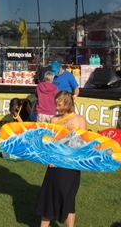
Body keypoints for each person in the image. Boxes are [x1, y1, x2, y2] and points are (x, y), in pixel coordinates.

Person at [36, 91, 87, 227]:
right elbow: (49, 142)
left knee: (68, 199)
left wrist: (73, 133)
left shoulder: (79, 120)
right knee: (49, 198)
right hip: (55, 165)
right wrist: (50, 159)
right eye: (56, 104)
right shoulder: (54, 120)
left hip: (71, 166)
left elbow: (84, 145)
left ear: (67, 103)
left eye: (59, 105)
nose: (56, 107)